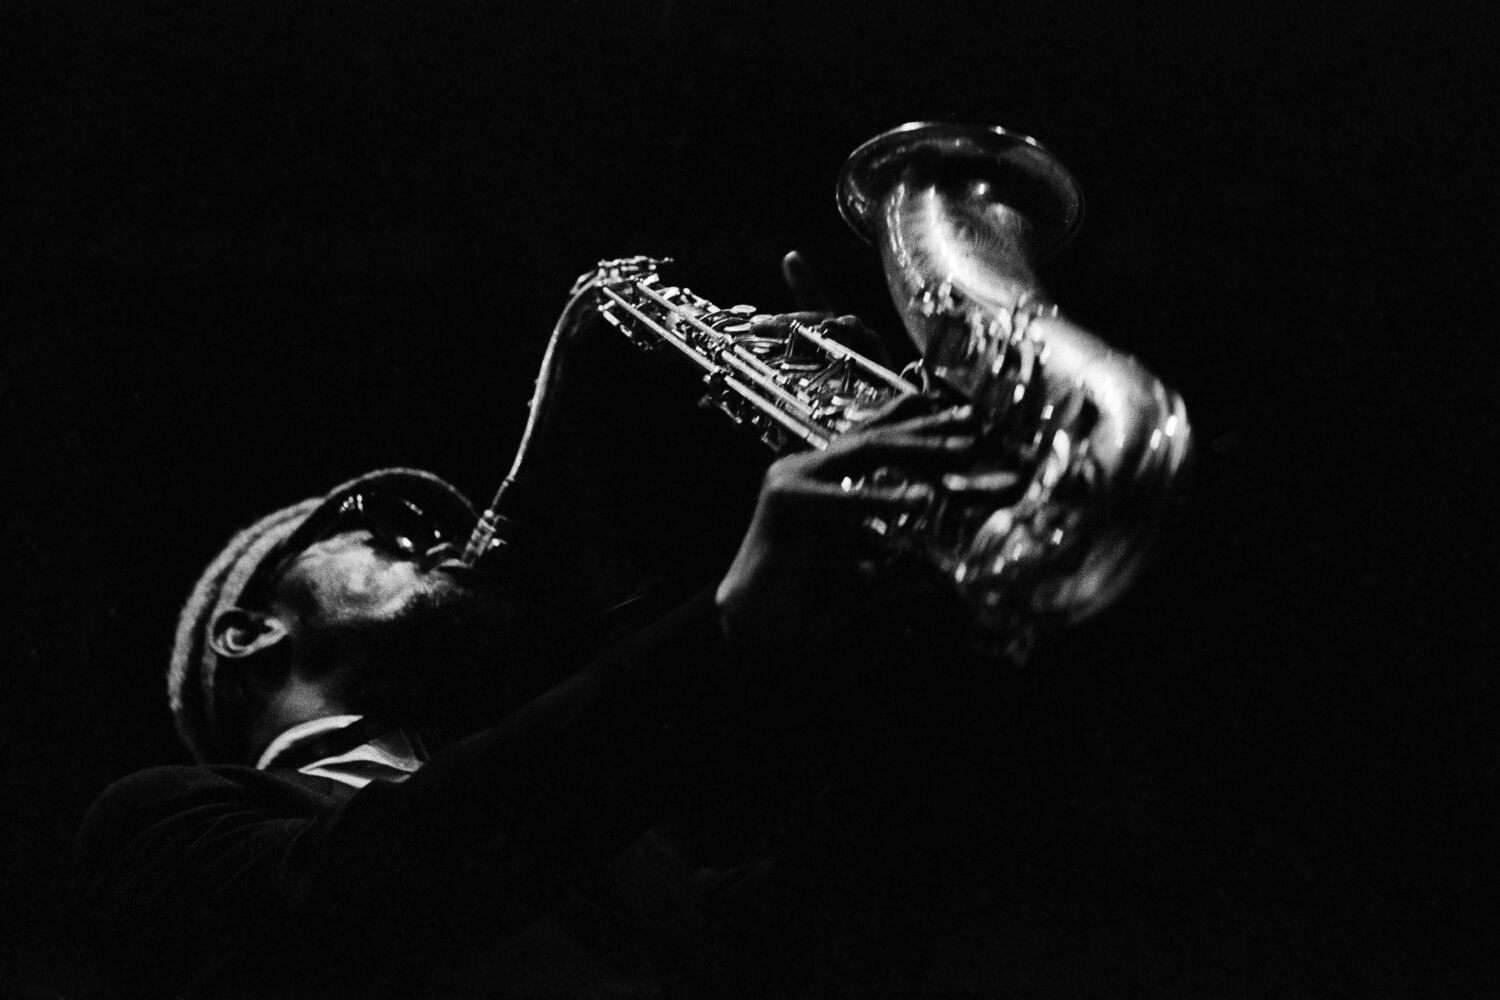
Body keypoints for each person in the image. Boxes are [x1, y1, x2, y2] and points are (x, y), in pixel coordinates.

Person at [73, 304, 991, 998]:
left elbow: (867, 908)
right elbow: (377, 889)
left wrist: (904, 609)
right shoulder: (160, 827)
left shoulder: (635, 863)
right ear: (249, 630)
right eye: (379, 525)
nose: (436, 536)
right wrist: (726, 629)